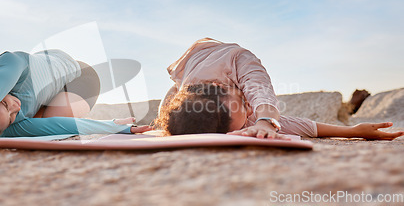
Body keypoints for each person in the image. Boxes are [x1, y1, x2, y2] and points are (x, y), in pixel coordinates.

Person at [155, 38, 404, 140]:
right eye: (248, 117)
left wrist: (264, 119)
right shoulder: (192, 96)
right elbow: (293, 124)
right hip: (192, 85)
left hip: (208, 52)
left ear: (220, 86)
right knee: (175, 115)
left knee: (170, 103)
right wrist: (352, 131)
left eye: (244, 104)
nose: (250, 108)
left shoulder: (241, 61)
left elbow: (259, 90)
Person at [0, 49, 150, 143]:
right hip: (48, 86)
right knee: (46, 126)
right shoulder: (11, 124)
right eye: (12, 116)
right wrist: (115, 126)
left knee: (45, 118)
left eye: (4, 102)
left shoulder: (10, 63)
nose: (15, 107)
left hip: (80, 76)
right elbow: (60, 125)